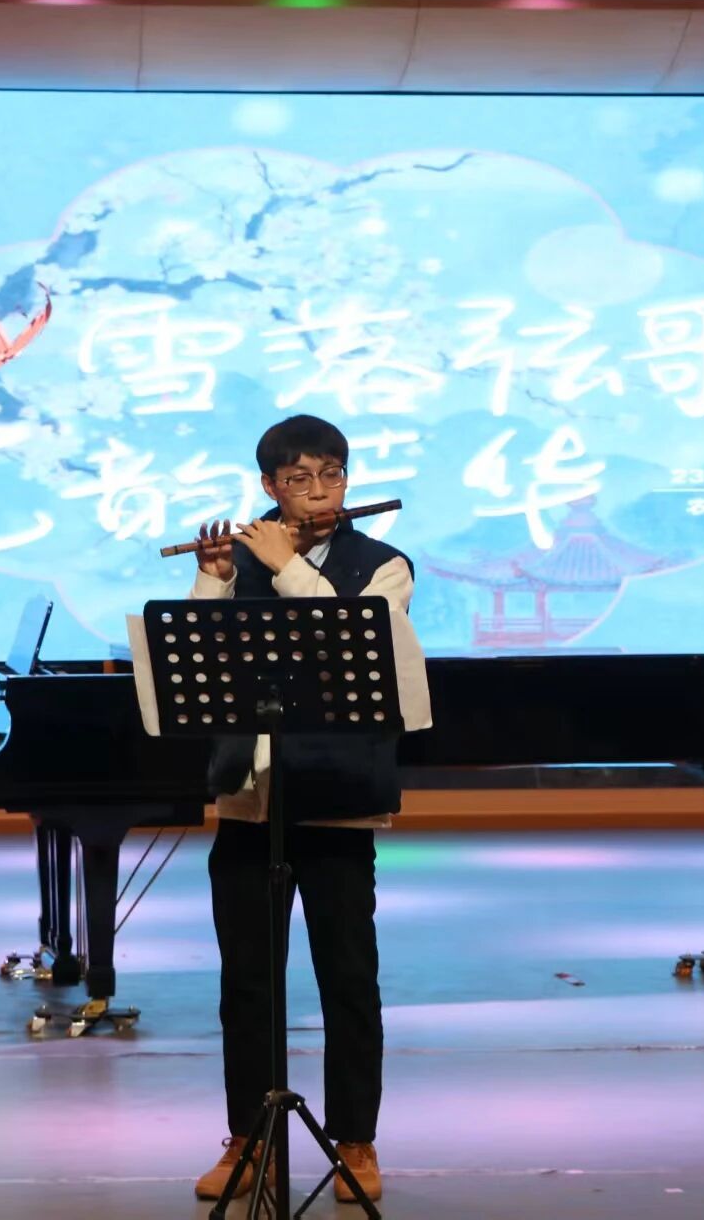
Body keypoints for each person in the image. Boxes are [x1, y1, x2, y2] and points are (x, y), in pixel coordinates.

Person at [188, 414, 416, 1205]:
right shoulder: (247, 557)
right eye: (298, 480)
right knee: (246, 983)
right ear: (270, 487)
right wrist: (216, 577)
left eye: (332, 476)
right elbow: (202, 660)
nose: (319, 493)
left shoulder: (384, 566)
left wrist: (286, 566)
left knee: (347, 977)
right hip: (252, 800)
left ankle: (356, 1140)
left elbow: (349, 641)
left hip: (338, 799)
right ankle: (249, 1138)